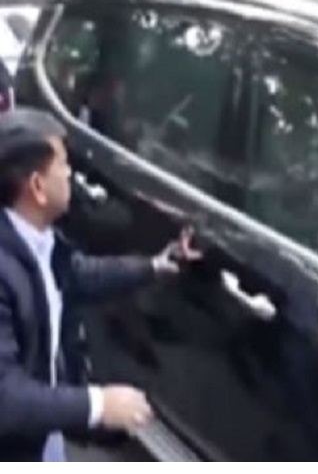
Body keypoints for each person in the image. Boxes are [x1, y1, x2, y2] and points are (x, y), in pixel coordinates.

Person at [0, 107, 202, 461]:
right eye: (63, 164)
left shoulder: (35, 238)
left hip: (40, 435)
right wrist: (98, 405)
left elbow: (78, 275)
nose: (71, 173)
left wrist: (154, 266)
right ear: (37, 187)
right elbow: (6, 398)